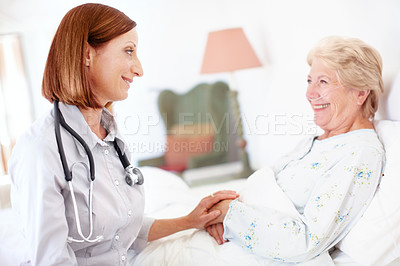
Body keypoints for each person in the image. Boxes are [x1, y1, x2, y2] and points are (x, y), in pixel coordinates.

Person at [8, 3, 238, 265]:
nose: (139, 69)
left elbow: (122, 233)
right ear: (86, 54)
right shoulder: (40, 150)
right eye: (129, 51)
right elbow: (52, 260)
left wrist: (190, 221)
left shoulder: (111, 140)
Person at [205, 36, 385, 263]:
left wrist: (229, 214)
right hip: (235, 233)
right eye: (310, 81)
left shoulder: (359, 154)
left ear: (360, 93)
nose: (310, 94)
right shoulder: (318, 140)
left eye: (323, 82)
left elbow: (306, 242)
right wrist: (222, 212)